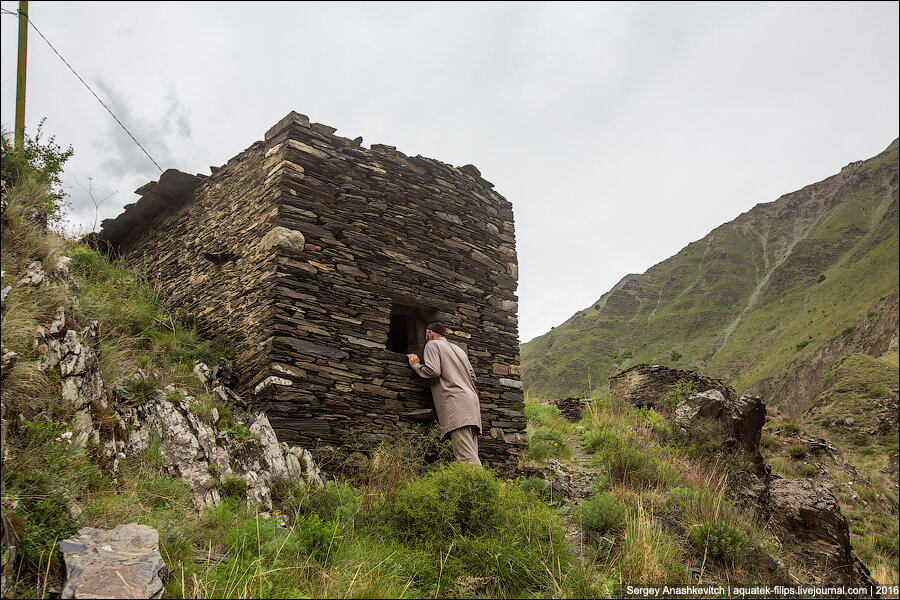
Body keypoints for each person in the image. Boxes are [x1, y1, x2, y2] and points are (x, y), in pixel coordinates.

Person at [407, 322, 483, 466]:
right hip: (471, 403)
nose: (426, 338)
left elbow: (433, 370)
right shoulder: (459, 350)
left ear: (430, 334)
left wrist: (416, 365)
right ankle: (474, 487)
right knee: (471, 452)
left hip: (456, 403)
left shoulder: (432, 345)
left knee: (466, 458)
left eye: (426, 336)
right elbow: (472, 377)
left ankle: (482, 487)